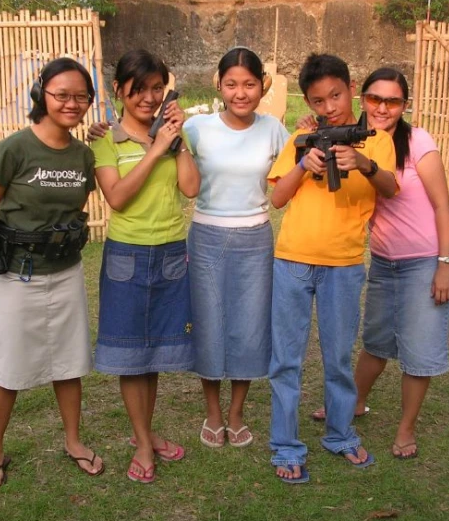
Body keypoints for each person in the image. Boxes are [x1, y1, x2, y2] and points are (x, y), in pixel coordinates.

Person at [267, 53, 398, 484]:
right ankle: (286, 445)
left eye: (336, 96)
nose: (329, 108)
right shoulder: (300, 141)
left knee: (338, 357)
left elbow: (391, 186)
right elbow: (277, 198)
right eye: (319, 101)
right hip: (292, 262)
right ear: (309, 102)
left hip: (343, 265)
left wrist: (362, 162)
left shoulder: (375, 140)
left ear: (351, 87)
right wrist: (305, 165)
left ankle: (340, 434)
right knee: (287, 360)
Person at [0, 57, 103, 489]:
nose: (72, 103)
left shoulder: (84, 155)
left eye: (81, 96)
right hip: (17, 274)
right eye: (61, 94)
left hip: (66, 270)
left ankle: (73, 441)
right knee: (8, 366)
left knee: (69, 362)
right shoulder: (13, 149)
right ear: (40, 95)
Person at [91, 49, 200, 483]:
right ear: (119, 90)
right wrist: (155, 150)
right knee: (130, 354)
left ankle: (146, 432)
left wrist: (177, 138)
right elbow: (116, 198)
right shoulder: (104, 139)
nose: (149, 97)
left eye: (157, 88)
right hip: (127, 257)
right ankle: (141, 441)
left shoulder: (173, 134)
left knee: (152, 352)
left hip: (172, 253)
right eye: (139, 89)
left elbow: (190, 188)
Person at [183, 47, 289, 449]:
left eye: (249, 84)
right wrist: (105, 131)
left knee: (249, 325)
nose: (241, 93)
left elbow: (298, 161)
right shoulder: (198, 129)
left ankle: (237, 413)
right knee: (208, 322)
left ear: (262, 85)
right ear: (218, 83)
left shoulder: (274, 130)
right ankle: (212, 412)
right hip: (206, 237)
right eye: (232, 84)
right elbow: (152, 141)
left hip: (255, 239)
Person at [353, 67, 449, 460]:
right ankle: (355, 403)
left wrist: (444, 263)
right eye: (375, 98)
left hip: (423, 262)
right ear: (362, 98)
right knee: (375, 343)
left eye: (392, 101)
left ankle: (406, 428)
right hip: (383, 260)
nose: (382, 108)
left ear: (404, 105)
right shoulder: (358, 141)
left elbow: (442, 205)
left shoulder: (417, 141)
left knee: (418, 350)